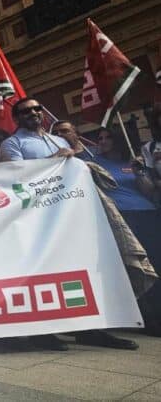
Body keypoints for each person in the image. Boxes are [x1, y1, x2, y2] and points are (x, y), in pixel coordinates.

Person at [0, 98, 136, 351]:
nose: (33, 113)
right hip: (37, 217)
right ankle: (44, 331)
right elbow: (16, 175)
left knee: (79, 269)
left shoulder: (58, 140)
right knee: (43, 273)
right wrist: (55, 159)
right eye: (26, 111)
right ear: (16, 118)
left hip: (69, 214)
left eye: (37, 109)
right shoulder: (12, 143)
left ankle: (90, 329)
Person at [92, 127, 160, 335]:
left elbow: (148, 190)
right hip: (121, 216)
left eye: (108, 137)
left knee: (155, 263)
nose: (103, 141)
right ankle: (149, 318)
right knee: (136, 264)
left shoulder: (132, 162)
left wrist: (140, 172)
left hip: (147, 212)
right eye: (100, 138)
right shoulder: (94, 162)